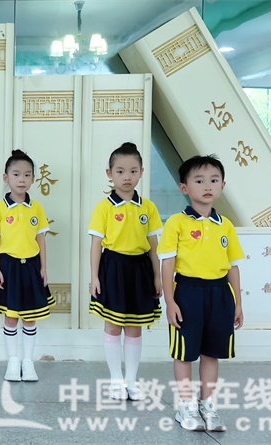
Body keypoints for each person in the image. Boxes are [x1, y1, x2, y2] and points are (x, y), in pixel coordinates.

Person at [158, 155, 244, 432]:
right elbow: (167, 263)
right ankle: (186, 406)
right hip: (187, 293)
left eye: (214, 180)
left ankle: (207, 404)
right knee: (184, 353)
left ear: (222, 186)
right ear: (184, 187)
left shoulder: (225, 225)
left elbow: (232, 266)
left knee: (211, 353)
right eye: (199, 180)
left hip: (220, 295)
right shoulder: (176, 223)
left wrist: (238, 303)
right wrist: (170, 301)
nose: (207, 186)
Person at [88, 142, 162, 401]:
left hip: (140, 271)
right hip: (113, 269)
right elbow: (96, 245)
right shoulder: (104, 207)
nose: (126, 177)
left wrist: (157, 276)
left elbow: (154, 246)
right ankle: (115, 380)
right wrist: (94, 277)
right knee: (113, 325)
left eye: (133, 171)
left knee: (134, 328)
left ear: (141, 172)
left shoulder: (148, 208)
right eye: (120, 171)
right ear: (109, 173)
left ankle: (131, 381)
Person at [0, 150, 53, 382]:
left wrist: (43, 268)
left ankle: (28, 362)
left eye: (27, 175)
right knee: (11, 317)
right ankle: (13, 361)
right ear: (6, 177)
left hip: (31, 267)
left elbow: (41, 239)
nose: (21, 179)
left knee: (30, 317)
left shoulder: (37, 208)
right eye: (16, 174)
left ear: (33, 179)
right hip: (8, 268)